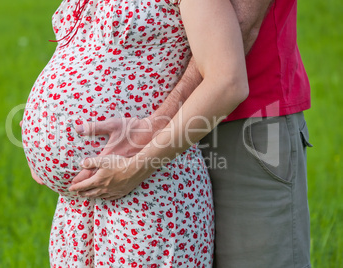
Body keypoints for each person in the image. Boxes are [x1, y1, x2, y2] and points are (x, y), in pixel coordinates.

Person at [65, 0, 313, 267]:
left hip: (244, 124)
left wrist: (160, 121)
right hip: (143, 128)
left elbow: (240, 27)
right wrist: (50, 122)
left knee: (254, 259)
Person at [21, 0, 248, 267]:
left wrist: (137, 167)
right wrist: (42, 143)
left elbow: (227, 82)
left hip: (150, 185)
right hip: (78, 204)